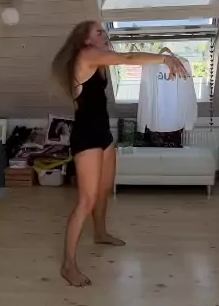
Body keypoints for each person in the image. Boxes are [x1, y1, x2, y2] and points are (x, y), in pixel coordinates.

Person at [51, 21, 188, 287]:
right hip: (87, 137)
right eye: (98, 31)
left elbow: (123, 57)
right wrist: (164, 58)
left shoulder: (99, 60)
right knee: (86, 201)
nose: (104, 33)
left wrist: (162, 56)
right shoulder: (86, 55)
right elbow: (127, 58)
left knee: (103, 190)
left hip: (103, 134)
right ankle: (68, 265)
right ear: (86, 40)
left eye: (104, 30)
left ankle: (100, 233)